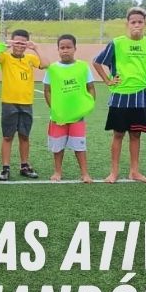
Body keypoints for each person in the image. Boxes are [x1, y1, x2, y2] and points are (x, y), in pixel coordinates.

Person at [92, 7, 146, 183]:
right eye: (133, 22)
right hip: (120, 96)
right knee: (118, 134)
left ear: (145, 24)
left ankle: (134, 172)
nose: (136, 25)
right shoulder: (117, 43)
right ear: (127, 24)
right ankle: (113, 172)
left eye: (140, 22)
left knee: (136, 135)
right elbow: (97, 62)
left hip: (141, 97)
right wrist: (108, 81)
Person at [43, 34, 96, 183]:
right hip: (58, 117)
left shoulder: (83, 67)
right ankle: (57, 172)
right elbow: (47, 90)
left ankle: (85, 173)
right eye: (62, 47)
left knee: (80, 146)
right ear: (58, 49)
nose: (65, 50)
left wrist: (87, 106)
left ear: (75, 49)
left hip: (77, 117)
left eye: (68, 47)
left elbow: (91, 88)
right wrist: (55, 109)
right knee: (58, 146)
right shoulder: (52, 68)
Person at [0, 29, 46, 181]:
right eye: (16, 42)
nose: (19, 45)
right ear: (12, 42)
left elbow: (46, 64)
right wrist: (6, 45)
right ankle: (5, 168)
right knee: (7, 136)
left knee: (24, 136)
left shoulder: (30, 58)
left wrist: (36, 48)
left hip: (26, 103)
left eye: (22, 43)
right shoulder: (4, 57)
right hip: (9, 103)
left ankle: (24, 165)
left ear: (26, 44)